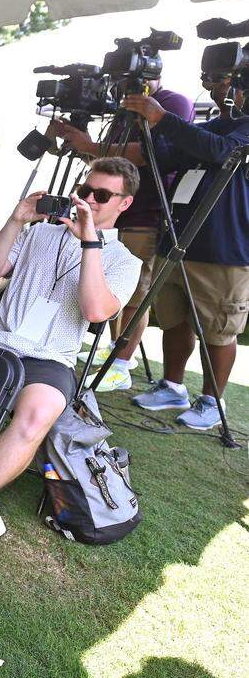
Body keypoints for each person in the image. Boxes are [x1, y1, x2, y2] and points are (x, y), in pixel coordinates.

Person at [0, 157, 142, 560]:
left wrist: (89, 242)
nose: (88, 201)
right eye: (84, 191)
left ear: (124, 203)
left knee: (41, 410)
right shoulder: (39, 233)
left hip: (51, 358)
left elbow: (95, 311)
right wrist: (17, 219)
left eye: (101, 196)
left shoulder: (125, 260)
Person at [51, 78, 195, 391]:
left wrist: (90, 146)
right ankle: (115, 348)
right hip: (110, 216)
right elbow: (113, 165)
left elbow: (148, 154)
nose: (131, 83)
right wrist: (84, 150)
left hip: (146, 212)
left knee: (134, 294)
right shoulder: (121, 113)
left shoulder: (173, 102)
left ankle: (121, 364)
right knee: (104, 280)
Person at [125, 76, 249, 429]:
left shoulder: (238, 133)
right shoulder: (216, 125)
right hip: (178, 238)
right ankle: (173, 386)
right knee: (174, 317)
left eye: (237, 85)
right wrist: (148, 129)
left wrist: (164, 119)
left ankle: (212, 401)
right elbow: (167, 158)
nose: (231, 92)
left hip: (223, 247)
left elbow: (222, 151)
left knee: (219, 329)